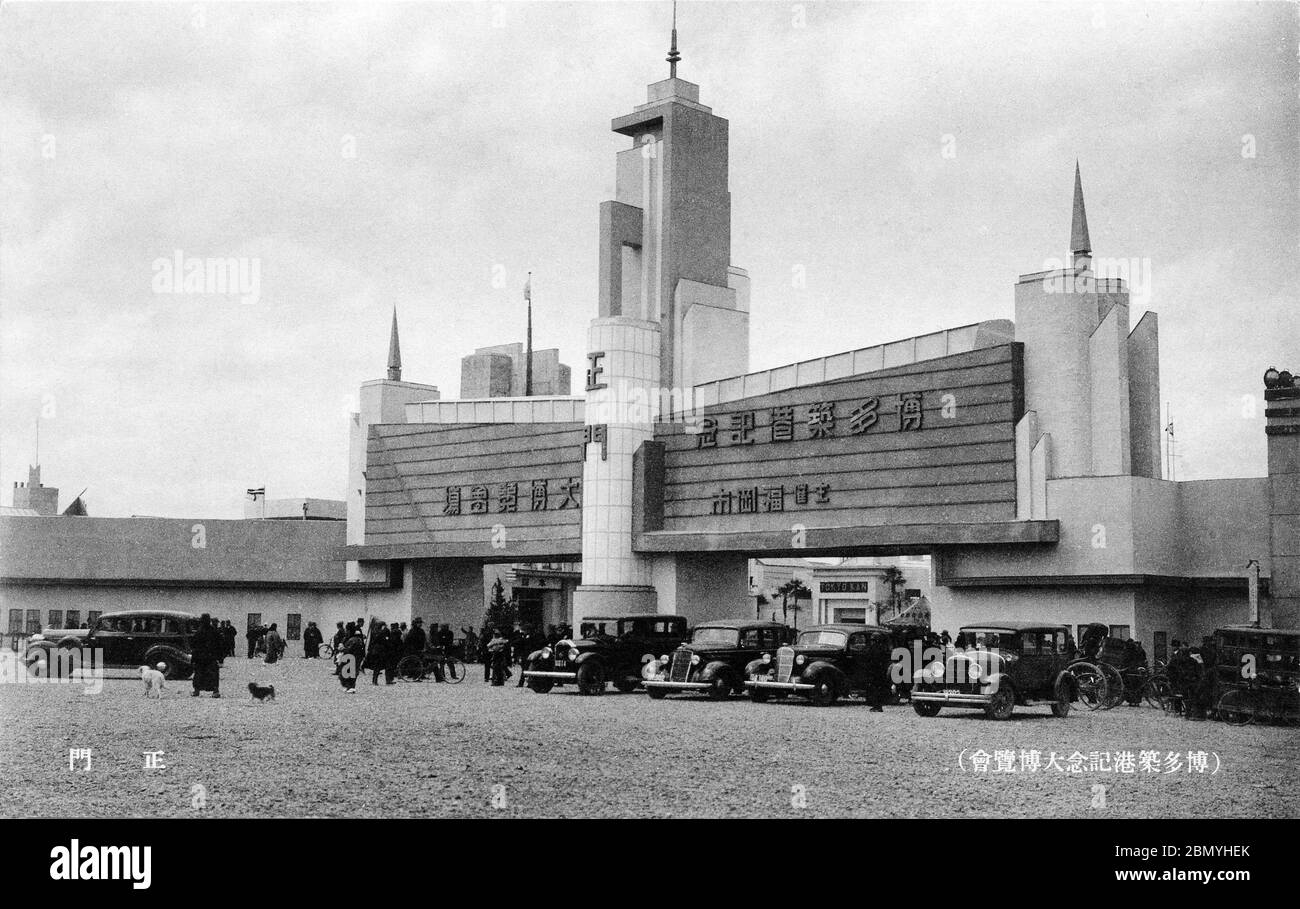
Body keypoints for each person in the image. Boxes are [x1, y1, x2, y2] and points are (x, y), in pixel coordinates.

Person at [190, 613, 223, 698]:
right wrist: (220, 658)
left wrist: (193, 659)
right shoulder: (214, 631)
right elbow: (220, 645)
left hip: (201, 657)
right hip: (211, 656)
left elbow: (194, 646)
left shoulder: (199, 631)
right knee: (212, 674)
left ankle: (196, 690)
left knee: (199, 673)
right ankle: (215, 691)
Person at [864, 633, 892, 711]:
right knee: (878, 689)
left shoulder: (874, 649)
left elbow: (870, 660)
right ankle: (877, 705)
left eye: (873, 640)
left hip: (874, 672)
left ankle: (877, 706)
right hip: (880, 672)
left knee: (875, 689)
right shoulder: (883, 648)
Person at [339, 623, 366, 693]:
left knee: (349, 672)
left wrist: (342, 649)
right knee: (351, 672)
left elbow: (349, 649)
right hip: (355, 657)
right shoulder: (357, 639)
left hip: (352, 657)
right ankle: (349, 686)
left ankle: (351, 687)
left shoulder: (352, 639)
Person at [366, 622, 390, 686]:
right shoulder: (381, 633)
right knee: (379, 666)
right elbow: (385, 641)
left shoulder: (375, 632)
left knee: (377, 666)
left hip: (375, 651)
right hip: (380, 652)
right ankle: (376, 681)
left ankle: (375, 680)